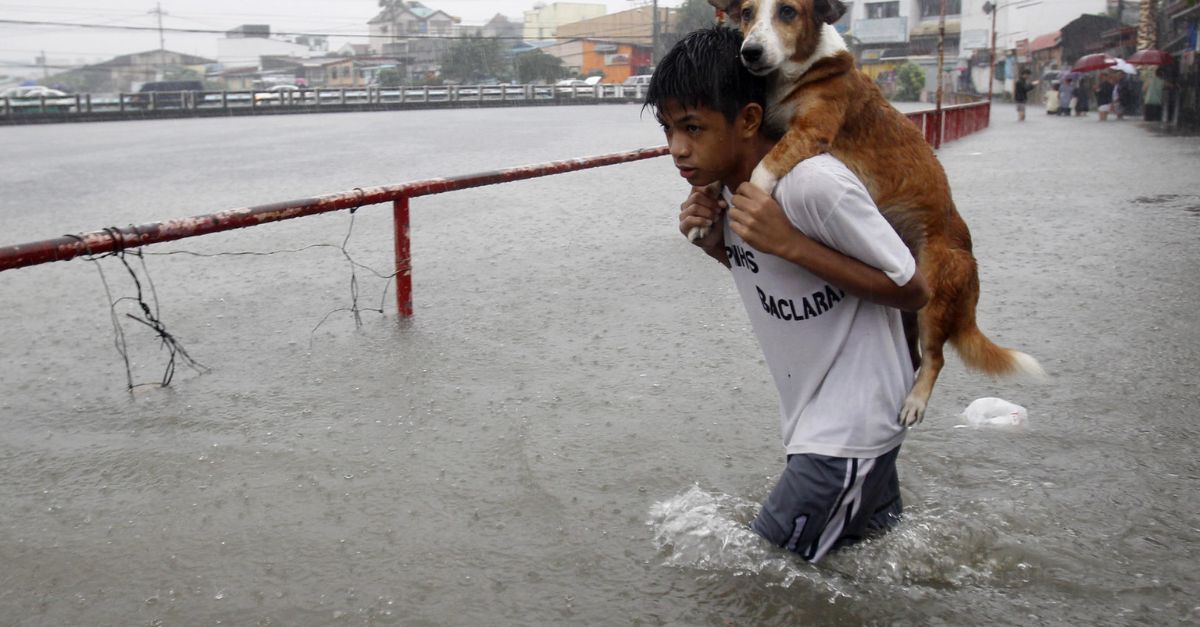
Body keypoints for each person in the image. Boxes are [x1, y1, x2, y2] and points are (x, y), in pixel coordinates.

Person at [646, 27, 930, 563]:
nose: (677, 149)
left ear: (749, 119)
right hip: (826, 420)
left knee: (763, 576)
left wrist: (792, 242)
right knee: (870, 572)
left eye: (693, 127)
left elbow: (912, 288)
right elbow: (776, 276)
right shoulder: (728, 192)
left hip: (847, 429)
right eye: (668, 129)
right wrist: (714, 244)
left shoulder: (813, 184)